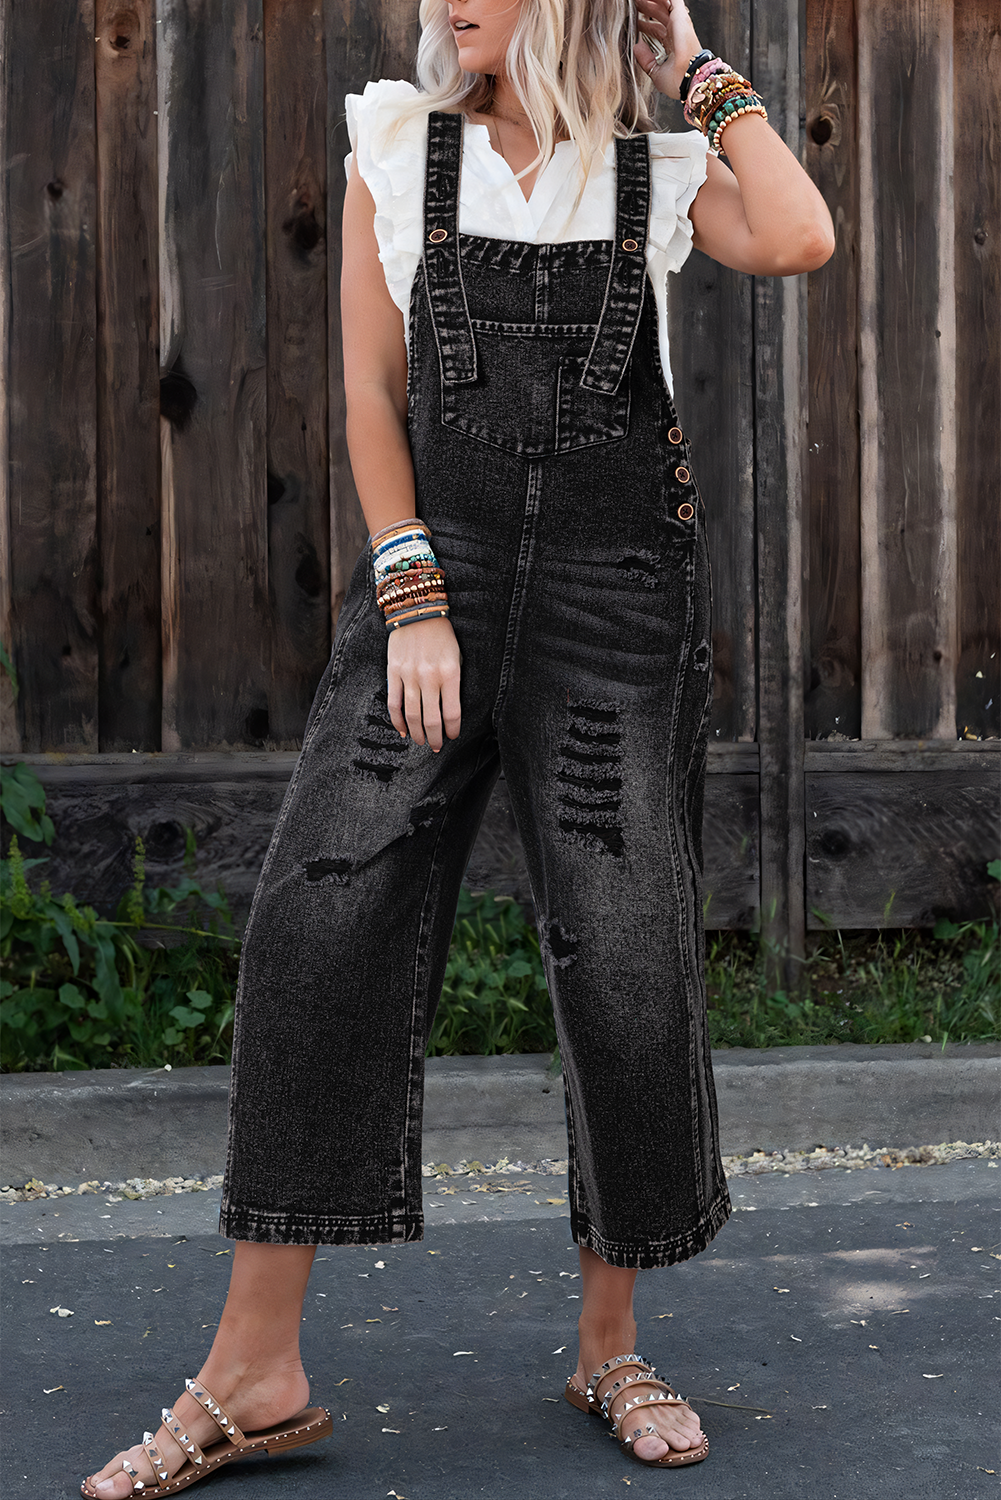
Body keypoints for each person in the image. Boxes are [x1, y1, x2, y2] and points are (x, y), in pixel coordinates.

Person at [82, 1, 833, 1493]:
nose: (445, 3)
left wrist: (688, 64)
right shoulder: (400, 148)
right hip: (442, 582)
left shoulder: (658, 167)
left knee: (621, 949)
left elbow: (803, 233)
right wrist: (413, 597)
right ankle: (255, 1370)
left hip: (618, 599)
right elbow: (367, 395)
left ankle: (610, 1345)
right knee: (315, 920)